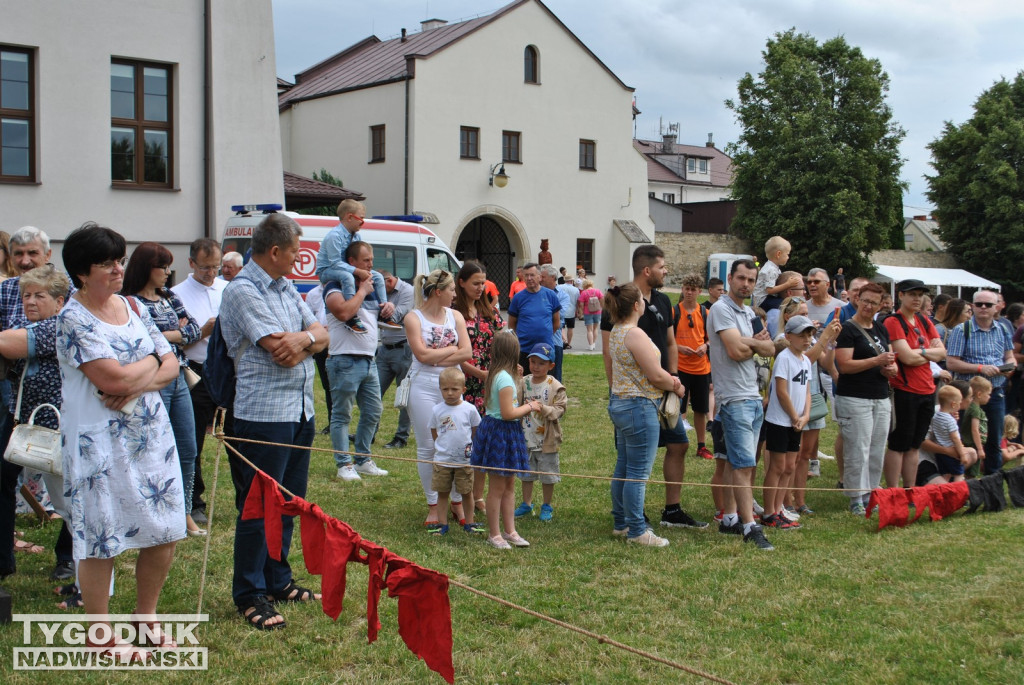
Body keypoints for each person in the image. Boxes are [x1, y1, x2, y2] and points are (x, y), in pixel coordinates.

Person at [57, 222, 184, 653]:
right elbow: (110, 377)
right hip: (98, 441)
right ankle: (99, 631)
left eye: (119, 260)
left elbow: (170, 365)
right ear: (81, 272)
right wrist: (148, 365)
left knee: (165, 529)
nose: (117, 269)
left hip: (150, 434)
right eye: (105, 263)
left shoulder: (133, 305)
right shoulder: (72, 317)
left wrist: (140, 378)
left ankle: (144, 616)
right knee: (100, 534)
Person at [219, 213, 329, 630]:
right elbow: (274, 347)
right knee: (257, 507)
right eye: (297, 252)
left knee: (287, 504)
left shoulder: (286, 289)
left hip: (299, 412)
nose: (302, 260)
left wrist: (305, 339)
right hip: (263, 416)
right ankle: (249, 593)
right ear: (276, 251)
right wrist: (308, 341)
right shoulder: (242, 290)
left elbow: (322, 335)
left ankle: (277, 579)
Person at [602, 245, 706, 530]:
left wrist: (672, 380)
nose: (666, 271)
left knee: (678, 444)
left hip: (663, 389)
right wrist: (618, 389)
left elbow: (670, 342)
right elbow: (608, 353)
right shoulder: (621, 302)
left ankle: (671, 511)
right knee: (634, 464)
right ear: (647, 270)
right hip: (635, 398)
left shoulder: (662, 301)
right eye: (662, 266)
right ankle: (634, 519)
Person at [0, 226, 77, 583]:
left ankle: (80, 566)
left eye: (38, 296)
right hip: (26, 417)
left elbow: (16, 345)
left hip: (61, 422)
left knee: (68, 499)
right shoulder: (17, 300)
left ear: (59, 300)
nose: (30, 301)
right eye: (27, 295)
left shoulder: (58, 323)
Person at [121, 242, 205, 537]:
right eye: (163, 267)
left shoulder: (169, 296)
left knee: (187, 448)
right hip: (151, 383)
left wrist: (166, 335)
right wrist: (175, 335)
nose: (168, 273)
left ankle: (183, 513)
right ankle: (154, 509)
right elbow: (141, 338)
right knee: (154, 449)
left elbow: (194, 329)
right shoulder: (129, 303)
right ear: (147, 268)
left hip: (179, 378)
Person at [604, 284, 683, 547]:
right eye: (641, 300)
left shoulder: (616, 331)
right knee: (638, 472)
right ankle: (637, 530)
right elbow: (655, 375)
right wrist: (676, 385)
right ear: (636, 305)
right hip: (639, 407)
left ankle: (621, 523)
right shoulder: (634, 334)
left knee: (624, 466)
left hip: (621, 404)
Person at [706, 259, 777, 550]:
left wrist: (751, 343)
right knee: (743, 464)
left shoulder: (749, 312)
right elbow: (735, 351)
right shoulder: (721, 308)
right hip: (733, 397)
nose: (745, 284)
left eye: (750, 279)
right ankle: (750, 526)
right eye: (740, 278)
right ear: (730, 278)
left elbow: (770, 348)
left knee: (741, 463)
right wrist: (753, 343)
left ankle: (731, 519)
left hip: (752, 395)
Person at [405, 269, 473, 528]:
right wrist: (451, 350)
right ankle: (433, 504)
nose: (456, 295)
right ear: (438, 292)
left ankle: (455, 501)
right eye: (452, 290)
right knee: (428, 447)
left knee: (455, 443)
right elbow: (421, 356)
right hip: (422, 385)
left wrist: (439, 355)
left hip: (452, 384)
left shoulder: (455, 316)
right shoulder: (414, 318)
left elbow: (465, 351)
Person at [323, 241, 389, 482]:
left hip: (369, 360)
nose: (371, 265)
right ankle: (344, 464)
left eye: (372, 260)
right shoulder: (335, 285)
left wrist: (388, 306)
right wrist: (361, 291)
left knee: (373, 411)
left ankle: (362, 459)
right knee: (342, 414)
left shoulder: (373, 286)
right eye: (366, 261)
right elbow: (343, 313)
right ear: (352, 263)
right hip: (344, 360)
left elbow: (379, 315)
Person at [171, 238, 226, 522]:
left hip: (227, 370)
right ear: (191, 263)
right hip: (195, 370)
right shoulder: (176, 295)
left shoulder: (227, 289)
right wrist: (203, 331)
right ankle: (193, 501)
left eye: (216, 267)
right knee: (191, 438)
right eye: (205, 267)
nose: (211, 273)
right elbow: (171, 340)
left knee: (238, 434)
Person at [470, 330, 538, 550]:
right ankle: (494, 534)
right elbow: (508, 413)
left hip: (506, 432)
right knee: (498, 488)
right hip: (501, 432)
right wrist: (530, 407)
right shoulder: (504, 378)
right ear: (514, 352)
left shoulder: (499, 373)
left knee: (509, 485)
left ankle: (510, 531)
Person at [833, 282, 897, 515]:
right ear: (857, 299)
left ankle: (871, 492)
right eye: (865, 300)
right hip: (854, 396)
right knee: (857, 448)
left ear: (881, 305)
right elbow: (845, 365)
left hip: (880, 395)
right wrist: (876, 362)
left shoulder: (881, 329)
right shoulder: (848, 329)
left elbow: (890, 360)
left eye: (874, 302)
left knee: (877, 447)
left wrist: (891, 369)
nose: (868, 306)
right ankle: (855, 497)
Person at [882, 279, 945, 489]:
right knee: (899, 443)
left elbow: (942, 353)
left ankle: (909, 489)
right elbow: (906, 358)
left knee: (915, 445)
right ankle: (893, 490)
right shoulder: (893, 322)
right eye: (912, 294)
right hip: (905, 391)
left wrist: (921, 353)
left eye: (920, 295)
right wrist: (928, 354)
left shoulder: (924, 321)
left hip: (927, 389)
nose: (917, 299)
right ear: (901, 296)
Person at [454, 261, 505, 516]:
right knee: (465, 441)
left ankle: (477, 495)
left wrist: (503, 369)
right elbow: (454, 352)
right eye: (475, 282)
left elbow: (504, 342)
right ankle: (459, 495)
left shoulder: (490, 311)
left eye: (483, 282)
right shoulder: (453, 312)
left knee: (483, 441)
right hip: (464, 385)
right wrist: (479, 373)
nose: (480, 287)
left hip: (488, 386)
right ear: (461, 282)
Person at [946, 289, 1015, 475]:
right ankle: (961, 479)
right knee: (964, 437)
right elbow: (951, 362)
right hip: (968, 394)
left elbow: (1010, 356)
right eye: (979, 304)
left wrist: (1008, 367)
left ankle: (992, 482)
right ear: (972, 306)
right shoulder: (962, 330)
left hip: (995, 390)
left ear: (996, 308)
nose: (983, 308)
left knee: (994, 437)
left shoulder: (1002, 329)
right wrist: (980, 368)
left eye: (988, 305)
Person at [761, 315, 814, 529]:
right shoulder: (784, 358)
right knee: (777, 466)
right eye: (802, 335)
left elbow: (808, 391)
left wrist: (806, 416)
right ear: (789, 336)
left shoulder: (806, 360)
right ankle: (768, 512)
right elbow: (781, 391)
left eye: (809, 335)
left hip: (797, 421)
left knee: (790, 466)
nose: (807, 339)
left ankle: (779, 508)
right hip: (780, 420)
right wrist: (794, 416)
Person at [314, 199, 394, 334]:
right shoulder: (335, 236)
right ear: (349, 217)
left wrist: (362, 271)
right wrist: (358, 271)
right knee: (346, 277)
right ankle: (351, 317)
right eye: (361, 218)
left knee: (378, 276)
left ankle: (383, 311)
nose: (363, 223)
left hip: (345, 268)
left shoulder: (356, 236)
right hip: (327, 270)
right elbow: (335, 263)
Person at [427, 367, 483, 536]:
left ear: (463, 390)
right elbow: (434, 430)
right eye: (445, 389)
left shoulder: (470, 409)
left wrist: (468, 447)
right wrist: (442, 445)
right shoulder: (437, 410)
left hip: (464, 461)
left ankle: (470, 522)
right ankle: (442, 524)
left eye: (454, 389)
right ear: (440, 389)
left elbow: (475, 429)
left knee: (467, 492)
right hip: (442, 460)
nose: (450, 393)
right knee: (442, 493)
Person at [514, 343, 566, 522]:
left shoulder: (554, 385)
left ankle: (546, 505)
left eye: (541, 363)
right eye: (533, 362)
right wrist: (516, 377)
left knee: (547, 474)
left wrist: (543, 408)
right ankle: (526, 504)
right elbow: (515, 399)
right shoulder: (525, 381)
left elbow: (560, 409)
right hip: (526, 437)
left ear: (551, 366)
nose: (536, 366)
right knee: (526, 474)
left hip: (546, 440)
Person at [673, 272, 713, 460]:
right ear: (683, 289)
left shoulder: (705, 313)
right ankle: (678, 441)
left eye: (693, 290)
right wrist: (680, 347)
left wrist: (705, 346)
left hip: (701, 367)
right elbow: (667, 339)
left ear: (699, 292)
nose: (689, 293)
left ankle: (701, 445)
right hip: (680, 366)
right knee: (678, 407)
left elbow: (712, 338)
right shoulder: (675, 311)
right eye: (686, 289)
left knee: (700, 409)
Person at [377, 270, 415, 449]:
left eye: (380, 285)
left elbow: (394, 316)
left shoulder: (407, 291)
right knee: (373, 393)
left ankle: (401, 436)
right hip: (384, 349)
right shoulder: (382, 290)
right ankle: (368, 432)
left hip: (403, 348)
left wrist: (377, 311)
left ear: (390, 280)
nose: (378, 290)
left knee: (404, 396)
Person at [508, 263, 560, 372]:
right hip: (524, 350)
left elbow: (556, 323)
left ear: (540, 277)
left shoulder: (550, 295)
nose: (529, 278)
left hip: (545, 349)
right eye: (526, 275)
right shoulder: (518, 298)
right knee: (524, 383)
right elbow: (512, 324)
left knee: (546, 384)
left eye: (532, 275)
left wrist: (544, 335)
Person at [931, 384, 977, 481]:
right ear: (953, 404)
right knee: (958, 474)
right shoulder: (949, 420)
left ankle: (944, 490)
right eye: (959, 403)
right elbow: (955, 438)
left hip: (940, 454)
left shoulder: (936, 417)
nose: (960, 406)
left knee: (946, 475)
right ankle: (958, 493)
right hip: (951, 452)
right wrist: (962, 454)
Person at [753, 236, 797, 309]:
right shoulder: (771, 269)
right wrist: (787, 284)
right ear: (778, 254)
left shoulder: (774, 268)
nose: (788, 257)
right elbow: (770, 290)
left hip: (767, 298)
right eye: (787, 254)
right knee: (785, 305)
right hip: (762, 301)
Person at [538, 264, 566, 381]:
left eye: (543, 277)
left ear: (553, 277)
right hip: (537, 341)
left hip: (555, 341)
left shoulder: (562, 294)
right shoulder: (536, 293)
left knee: (554, 377)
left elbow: (562, 315)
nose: (540, 279)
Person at [961, 376, 992, 478]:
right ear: (979, 394)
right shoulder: (975, 410)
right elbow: (975, 429)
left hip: (972, 444)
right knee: (971, 473)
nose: (989, 397)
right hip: (972, 444)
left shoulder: (973, 407)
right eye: (988, 394)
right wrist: (980, 449)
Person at [578, 278, 603, 351]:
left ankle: (590, 345)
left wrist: (581, 313)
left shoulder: (584, 293)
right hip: (597, 312)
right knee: (595, 329)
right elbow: (602, 301)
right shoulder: (598, 291)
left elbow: (581, 304)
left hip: (587, 312)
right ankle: (593, 343)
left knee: (589, 330)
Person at [556, 277, 580, 349]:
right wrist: (578, 310)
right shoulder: (576, 289)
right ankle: (568, 343)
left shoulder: (559, 287)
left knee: (561, 327)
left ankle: (564, 340)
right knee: (570, 328)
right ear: (571, 281)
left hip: (562, 310)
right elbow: (577, 301)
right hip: (571, 311)